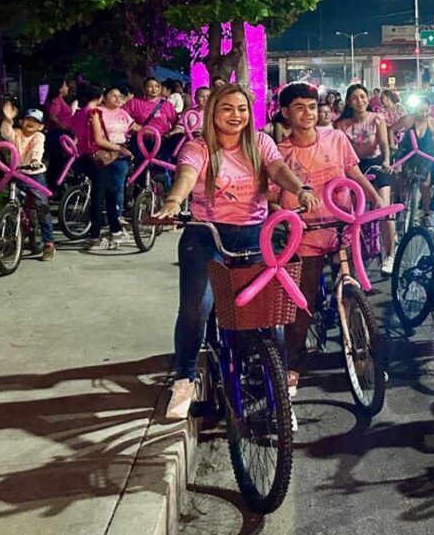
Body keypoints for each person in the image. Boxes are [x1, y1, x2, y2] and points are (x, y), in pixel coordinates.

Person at [154, 83, 319, 420]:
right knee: (196, 309)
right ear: (212, 112)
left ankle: (277, 394)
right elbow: (186, 176)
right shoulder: (197, 147)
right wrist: (173, 201)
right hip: (206, 236)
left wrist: (300, 189)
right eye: (227, 108)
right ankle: (184, 378)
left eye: (242, 109)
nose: (236, 116)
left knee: (269, 316)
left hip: (255, 236)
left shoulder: (261, 142)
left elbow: (278, 170)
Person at [273, 82, 384, 394]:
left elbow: (354, 173)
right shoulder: (280, 154)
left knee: (353, 292)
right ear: (285, 113)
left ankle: (363, 358)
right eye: (299, 108)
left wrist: (375, 199)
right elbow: (271, 197)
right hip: (304, 235)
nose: (307, 114)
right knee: (303, 300)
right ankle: (292, 362)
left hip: (342, 226)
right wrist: (282, 217)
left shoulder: (336, 138)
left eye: (311, 107)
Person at [335, 83, 397, 273]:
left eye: (362, 97)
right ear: (348, 102)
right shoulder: (341, 124)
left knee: (385, 211)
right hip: (353, 167)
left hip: (377, 164)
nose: (359, 101)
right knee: (350, 213)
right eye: (355, 98)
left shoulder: (377, 119)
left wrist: (386, 161)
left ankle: (390, 255)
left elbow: (384, 144)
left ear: (368, 98)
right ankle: (352, 253)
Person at [0, 102, 56, 260]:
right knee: (12, 205)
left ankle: (49, 243)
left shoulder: (39, 136)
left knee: (42, 207)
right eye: (27, 119)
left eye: (35, 121)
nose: (30, 123)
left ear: (40, 126)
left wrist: (35, 162)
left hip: (34, 174)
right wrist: (8, 119)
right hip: (15, 173)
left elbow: (37, 151)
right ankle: (11, 240)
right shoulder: (16, 133)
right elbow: (5, 133)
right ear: (21, 122)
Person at [85, 87, 138, 250]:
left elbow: (135, 127)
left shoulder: (123, 113)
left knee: (113, 194)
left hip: (120, 156)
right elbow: (98, 139)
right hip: (104, 156)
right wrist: (118, 148)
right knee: (100, 196)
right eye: (112, 95)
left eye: (119, 95)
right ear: (104, 98)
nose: (116, 98)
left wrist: (156, 132)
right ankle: (95, 236)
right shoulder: (97, 112)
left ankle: (115, 229)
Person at [391, 96, 434, 223]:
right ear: (416, 110)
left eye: (427, 111)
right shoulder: (408, 120)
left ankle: (426, 214)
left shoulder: (432, 122)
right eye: (421, 111)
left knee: (425, 186)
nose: (424, 114)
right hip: (407, 155)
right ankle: (400, 206)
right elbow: (391, 130)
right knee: (402, 182)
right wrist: (392, 145)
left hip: (426, 157)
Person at [123, 76, 180, 183]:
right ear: (144, 89)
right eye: (150, 86)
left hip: (161, 141)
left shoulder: (167, 105)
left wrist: (172, 133)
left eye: (156, 86)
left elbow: (176, 123)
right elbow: (122, 118)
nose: (153, 89)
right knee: (140, 168)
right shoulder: (134, 103)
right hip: (141, 141)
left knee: (160, 170)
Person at [43, 79, 74, 189]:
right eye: (65, 85)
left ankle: (57, 185)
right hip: (58, 135)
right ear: (59, 88)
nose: (67, 88)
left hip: (61, 134)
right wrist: (63, 126)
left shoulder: (61, 99)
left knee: (59, 162)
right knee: (58, 162)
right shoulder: (55, 100)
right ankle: (55, 186)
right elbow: (52, 115)